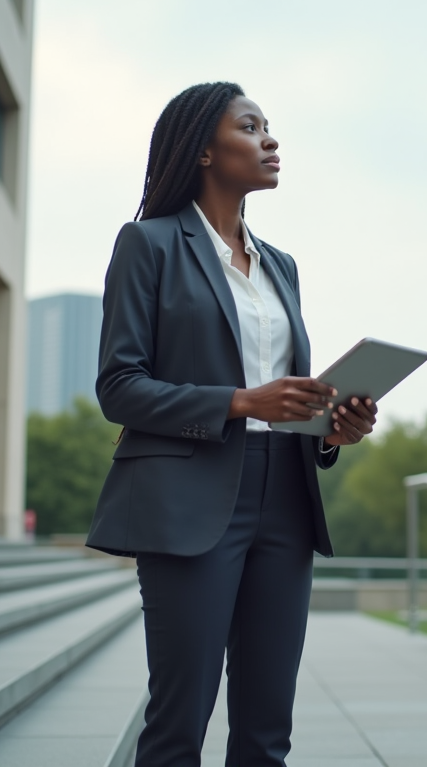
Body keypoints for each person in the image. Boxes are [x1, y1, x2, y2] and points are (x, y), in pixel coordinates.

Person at [85, 81, 377, 767]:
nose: (270, 140)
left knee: (268, 724)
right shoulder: (148, 245)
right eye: (251, 127)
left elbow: (288, 397)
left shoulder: (282, 266)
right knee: (179, 720)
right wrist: (242, 402)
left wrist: (333, 427)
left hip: (287, 498)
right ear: (206, 151)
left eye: (269, 128)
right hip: (189, 499)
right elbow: (119, 387)